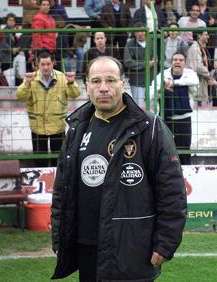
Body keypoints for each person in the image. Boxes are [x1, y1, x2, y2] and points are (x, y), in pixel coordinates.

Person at [51, 56, 187, 281]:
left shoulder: (149, 127)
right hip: (86, 249)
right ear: (87, 86)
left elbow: (172, 192)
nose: (103, 88)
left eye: (111, 80)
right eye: (96, 81)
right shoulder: (76, 129)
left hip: (131, 249)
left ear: (123, 84)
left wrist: (165, 243)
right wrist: (59, 237)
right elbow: (61, 191)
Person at [16, 51, 81, 167]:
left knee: (59, 159)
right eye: (43, 64)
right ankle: (42, 182)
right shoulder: (31, 78)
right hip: (37, 127)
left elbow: (76, 94)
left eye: (48, 64)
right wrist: (26, 84)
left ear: (53, 63)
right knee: (40, 161)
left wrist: (71, 82)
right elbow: (20, 96)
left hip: (58, 126)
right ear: (37, 65)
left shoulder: (62, 78)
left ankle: (58, 183)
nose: (46, 67)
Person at [150, 52, 199, 164]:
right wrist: (162, 86)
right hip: (166, 118)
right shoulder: (162, 75)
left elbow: (195, 81)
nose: (177, 62)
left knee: (185, 149)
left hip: (184, 118)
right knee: (165, 149)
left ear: (185, 63)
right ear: (171, 63)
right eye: (175, 60)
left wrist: (173, 83)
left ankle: (186, 173)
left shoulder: (190, 73)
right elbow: (152, 93)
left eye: (181, 60)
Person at [124, 22, 154, 107]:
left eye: (142, 31)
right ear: (135, 33)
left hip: (151, 80)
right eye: (138, 31)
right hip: (136, 81)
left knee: (152, 107)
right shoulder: (130, 44)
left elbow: (156, 59)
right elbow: (128, 62)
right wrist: (146, 64)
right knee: (138, 107)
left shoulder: (151, 42)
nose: (140, 33)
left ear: (146, 32)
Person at [186, 31, 217, 106]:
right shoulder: (195, 48)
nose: (208, 37)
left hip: (202, 81)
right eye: (206, 35)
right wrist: (209, 76)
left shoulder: (201, 48)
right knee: (198, 106)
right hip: (197, 83)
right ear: (199, 36)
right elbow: (198, 66)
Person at [0, 13, 26, 86]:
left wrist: (18, 48)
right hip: (6, 59)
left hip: (13, 57)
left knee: (22, 58)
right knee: (10, 79)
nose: (11, 22)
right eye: (9, 20)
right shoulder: (3, 31)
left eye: (13, 20)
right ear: (6, 21)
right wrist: (13, 50)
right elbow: (3, 45)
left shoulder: (14, 32)